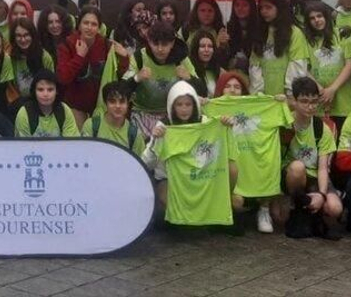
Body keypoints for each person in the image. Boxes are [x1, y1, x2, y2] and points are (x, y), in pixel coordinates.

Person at [143, 80, 239, 227]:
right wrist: (155, 139)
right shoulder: (164, 126)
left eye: (188, 104)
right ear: (171, 106)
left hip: (199, 176)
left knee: (233, 174)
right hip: (170, 180)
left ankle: (214, 218)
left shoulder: (205, 123)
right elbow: (146, 162)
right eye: (179, 104)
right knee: (165, 204)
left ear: (194, 105)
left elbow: (223, 143)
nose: (184, 109)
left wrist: (227, 125)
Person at [208, 70, 290, 232]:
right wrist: (203, 104)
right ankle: (225, 213)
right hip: (233, 169)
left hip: (255, 165)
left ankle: (264, 210)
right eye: (228, 86)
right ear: (220, 90)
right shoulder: (213, 108)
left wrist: (279, 103)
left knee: (268, 162)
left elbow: (288, 126)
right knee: (236, 200)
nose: (232, 90)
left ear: (244, 91)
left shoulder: (262, 105)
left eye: (237, 87)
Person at [278, 77, 341, 237]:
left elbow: (322, 168)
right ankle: (297, 207)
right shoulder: (285, 122)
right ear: (295, 101)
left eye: (314, 101)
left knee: (335, 208)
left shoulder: (322, 128)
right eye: (304, 101)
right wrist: (278, 103)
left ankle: (316, 213)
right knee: (297, 167)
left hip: (314, 175)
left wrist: (321, 194)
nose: (310, 106)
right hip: (292, 176)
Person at [121, 21, 187, 135]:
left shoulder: (181, 58)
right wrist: (136, 78)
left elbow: (201, 89)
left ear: (172, 43)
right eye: (155, 44)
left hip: (171, 114)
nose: (160, 49)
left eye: (165, 44)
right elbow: (121, 89)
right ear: (149, 42)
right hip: (141, 113)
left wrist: (189, 78)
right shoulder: (138, 57)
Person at [300, 2, 351, 128]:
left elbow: (350, 65)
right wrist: (320, 89)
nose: (317, 20)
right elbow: (304, 68)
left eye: (319, 16)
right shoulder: (306, 41)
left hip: (344, 102)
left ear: (326, 16)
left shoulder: (342, 34)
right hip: (319, 102)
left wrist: (332, 89)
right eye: (312, 18)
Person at [57, 8, 113, 123]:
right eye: (86, 23)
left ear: (99, 27)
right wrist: (79, 57)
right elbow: (63, 77)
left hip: (100, 107)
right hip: (74, 106)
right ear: (79, 25)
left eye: (94, 24)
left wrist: (124, 58)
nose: (89, 27)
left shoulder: (105, 45)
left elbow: (118, 72)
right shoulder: (67, 44)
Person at [251, 0, 309, 99]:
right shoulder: (259, 33)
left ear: (279, 8)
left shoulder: (294, 33)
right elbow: (255, 66)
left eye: (268, 7)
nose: (264, 11)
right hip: (264, 98)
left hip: (287, 98)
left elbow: (297, 64)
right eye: (261, 8)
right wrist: (258, 94)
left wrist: (290, 94)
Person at [5, 18, 54, 116]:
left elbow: (52, 85)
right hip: (18, 104)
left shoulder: (44, 56)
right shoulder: (9, 56)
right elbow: (8, 87)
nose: (23, 39)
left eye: (26, 35)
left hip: (42, 102)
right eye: (18, 36)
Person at [15, 70, 81, 137]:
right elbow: (23, 146)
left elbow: (71, 143)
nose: (45, 94)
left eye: (50, 89)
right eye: (40, 89)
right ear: (34, 91)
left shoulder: (64, 110)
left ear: (57, 91)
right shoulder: (24, 113)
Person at [90, 81, 147, 155]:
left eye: (122, 101)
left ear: (128, 103)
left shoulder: (135, 134)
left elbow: (139, 163)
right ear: (105, 103)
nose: (117, 106)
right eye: (112, 101)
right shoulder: (91, 126)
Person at [177, 29, 222, 100]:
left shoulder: (219, 71)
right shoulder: (188, 69)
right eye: (202, 46)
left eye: (210, 46)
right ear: (196, 49)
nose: (206, 50)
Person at [226, 0, 260, 70]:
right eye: (237, 5)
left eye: (245, 5)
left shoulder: (258, 28)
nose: (240, 8)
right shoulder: (227, 28)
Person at [35, 6, 72, 72]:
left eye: (58, 21)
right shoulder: (40, 44)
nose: (54, 25)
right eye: (50, 22)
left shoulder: (71, 42)